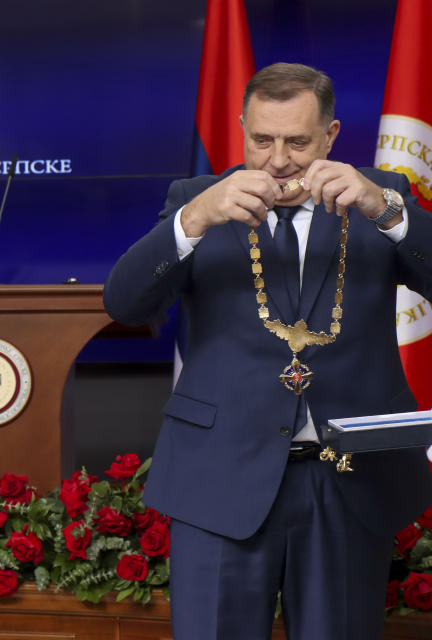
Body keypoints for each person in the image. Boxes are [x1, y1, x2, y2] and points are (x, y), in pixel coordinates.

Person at [104, 63, 432, 639]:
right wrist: (197, 218)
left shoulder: (382, 196)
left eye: (298, 142)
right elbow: (125, 304)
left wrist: (387, 211)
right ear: (242, 128)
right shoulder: (194, 199)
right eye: (262, 140)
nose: (278, 160)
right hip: (220, 475)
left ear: (331, 137)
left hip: (350, 480)